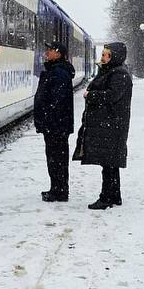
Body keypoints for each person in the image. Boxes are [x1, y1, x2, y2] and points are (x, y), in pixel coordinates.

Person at [77, 42, 133, 210]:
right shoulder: (113, 72)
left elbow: (112, 96)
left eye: (105, 54)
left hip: (112, 125)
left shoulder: (119, 74)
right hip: (109, 124)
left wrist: (90, 95)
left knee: (108, 162)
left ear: (113, 56)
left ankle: (106, 197)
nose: (101, 57)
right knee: (110, 163)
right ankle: (114, 195)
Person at [35, 41, 76, 202]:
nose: (47, 53)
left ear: (58, 54)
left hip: (56, 125)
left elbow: (57, 102)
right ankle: (57, 188)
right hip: (56, 124)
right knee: (57, 158)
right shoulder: (56, 70)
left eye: (50, 50)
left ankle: (59, 191)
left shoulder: (58, 73)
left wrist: (47, 119)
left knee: (56, 158)